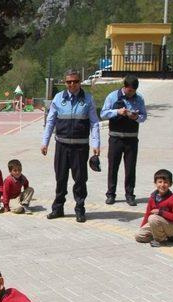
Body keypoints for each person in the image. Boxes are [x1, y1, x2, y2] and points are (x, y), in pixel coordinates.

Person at [42, 69, 100, 223]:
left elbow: (94, 123)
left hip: (80, 148)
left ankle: (80, 209)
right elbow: (50, 121)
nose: (72, 84)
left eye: (75, 81)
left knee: (80, 180)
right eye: (69, 82)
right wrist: (45, 142)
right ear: (65, 82)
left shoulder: (88, 99)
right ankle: (58, 208)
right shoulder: (58, 98)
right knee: (60, 178)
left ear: (79, 82)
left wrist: (96, 143)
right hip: (62, 146)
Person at [100, 75, 147, 206]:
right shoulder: (112, 96)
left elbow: (144, 116)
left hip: (132, 138)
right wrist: (117, 112)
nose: (131, 93)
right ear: (124, 87)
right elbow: (103, 114)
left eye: (134, 91)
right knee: (113, 166)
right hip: (116, 138)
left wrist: (135, 117)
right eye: (129, 90)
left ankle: (130, 194)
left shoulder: (139, 98)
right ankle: (111, 194)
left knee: (130, 168)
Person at [135, 169, 173, 247]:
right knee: (138, 236)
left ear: (170, 184)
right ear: (155, 183)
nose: (162, 185)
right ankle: (164, 236)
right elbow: (147, 214)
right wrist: (142, 228)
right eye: (160, 182)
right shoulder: (152, 197)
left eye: (166, 182)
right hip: (156, 223)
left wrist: (161, 212)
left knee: (153, 218)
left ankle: (160, 240)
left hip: (171, 226)